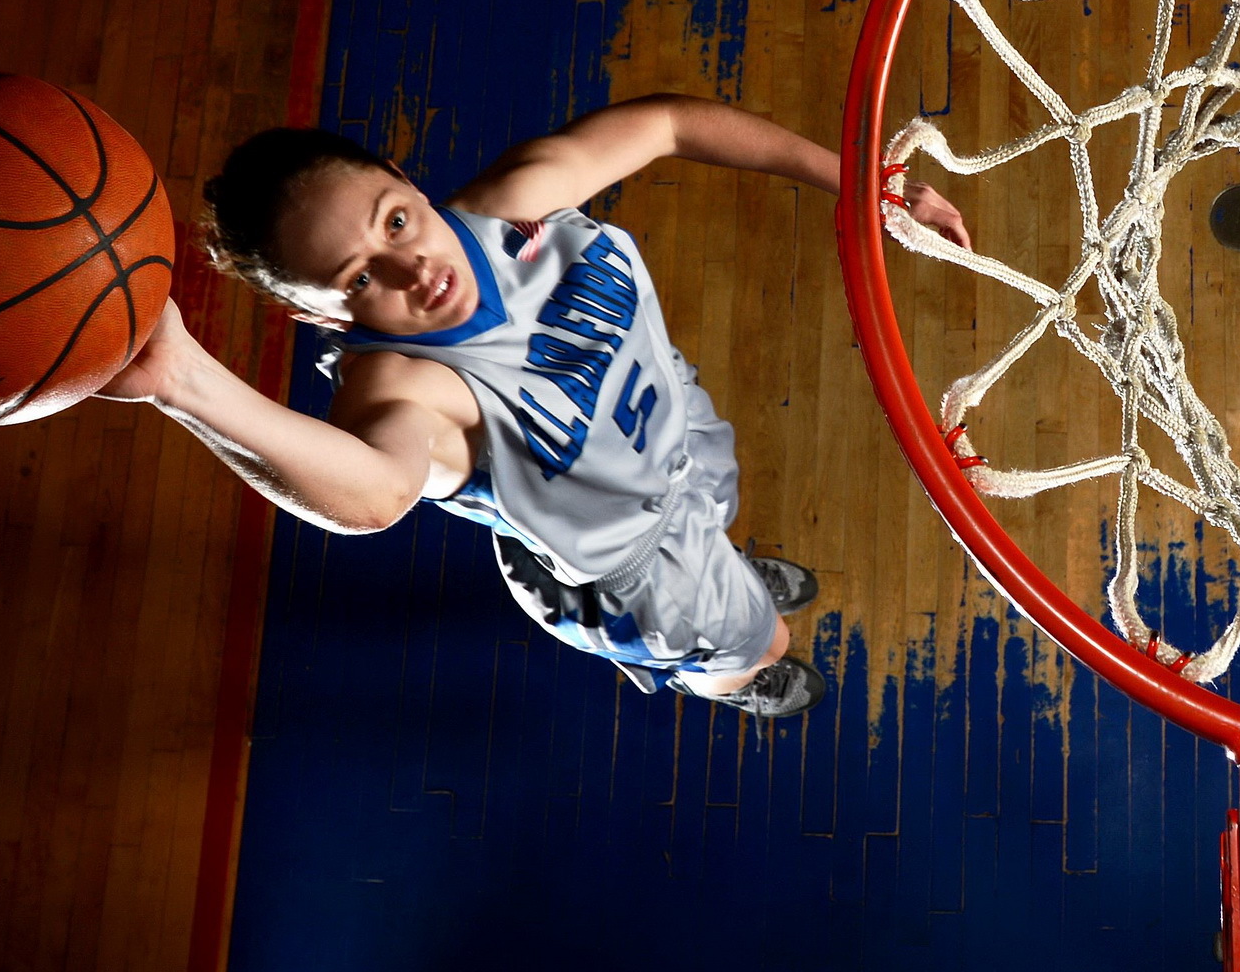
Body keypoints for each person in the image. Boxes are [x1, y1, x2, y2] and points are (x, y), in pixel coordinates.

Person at [98, 94, 969, 716]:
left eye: (394, 221)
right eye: (358, 278)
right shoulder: (403, 386)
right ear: (317, 314)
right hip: (635, 571)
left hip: (676, 434)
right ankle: (733, 678)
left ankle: (731, 579)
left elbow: (671, 123)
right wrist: (185, 383)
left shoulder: (514, 205)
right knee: (756, 642)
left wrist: (867, 188)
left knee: (720, 507)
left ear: (402, 178)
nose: (411, 269)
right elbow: (375, 493)